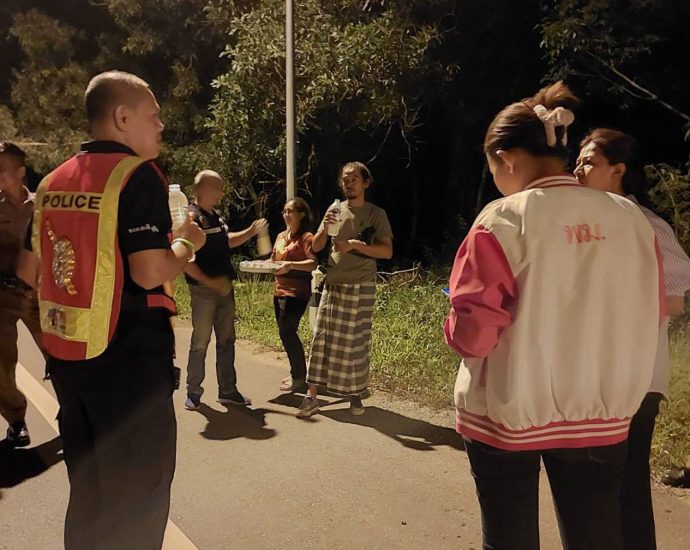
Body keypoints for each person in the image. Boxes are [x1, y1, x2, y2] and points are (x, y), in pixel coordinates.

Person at [444, 82, 664, 550]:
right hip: (602, 411)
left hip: (507, 409)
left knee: (509, 539)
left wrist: (453, 328)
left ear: (506, 159)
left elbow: (474, 336)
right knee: (597, 537)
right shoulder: (632, 219)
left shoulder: (503, 220)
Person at [19, 70, 206, 550]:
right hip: (129, 365)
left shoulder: (51, 184)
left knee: (90, 493)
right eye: (153, 115)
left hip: (68, 363)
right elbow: (149, 272)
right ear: (122, 117)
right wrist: (187, 242)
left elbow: (27, 273)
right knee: (140, 499)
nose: (161, 126)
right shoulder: (136, 175)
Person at [575, 128, 690, 550]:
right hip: (590, 374)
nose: (578, 168)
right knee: (589, 486)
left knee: (626, 485)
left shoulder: (647, 226)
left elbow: (673, 302)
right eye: (578, 159)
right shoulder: (582, 225)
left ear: (618, 171)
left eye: (589, 161)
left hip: (636, 376)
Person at [296, 161, 393, 418]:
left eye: (353, 178)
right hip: (334, 283)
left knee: (355, 342)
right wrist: (326, 228)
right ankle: (311, 396)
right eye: (345, 179)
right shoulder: (335, 209)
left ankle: (355, 395)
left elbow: (386, 251)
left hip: (361, 284)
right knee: (321, 338)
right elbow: (316, 247)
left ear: (365, 182)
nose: (348, 183)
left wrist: (354, 245)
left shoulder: (376, 214)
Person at [183, 170, 267, 411]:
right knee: (200, 342)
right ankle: (194, 393)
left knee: (227, 340)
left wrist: (250, 232)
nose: (221, 193)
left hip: (225, 289)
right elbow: (186, 263)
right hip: (203, 291)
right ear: (203, 189)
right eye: (218, 188)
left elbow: (226, 240)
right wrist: (210, 283)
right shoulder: (192, 217)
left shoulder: (215, 217)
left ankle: (228, 391)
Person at [0, 142, 42, 447]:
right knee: (0, 365)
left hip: (42, 297)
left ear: (21, 172)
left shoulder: (42, 204)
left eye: (2, 170)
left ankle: (73, 415)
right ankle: (16, 420)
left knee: (63, 360)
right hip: (4, 296)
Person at [271, 197, 317, 392]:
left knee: (287, 331)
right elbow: (274, 258)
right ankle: (296, 372)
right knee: (285, 333)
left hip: (297, 292)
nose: (286, 215)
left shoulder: (307, 237)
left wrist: (290, 265)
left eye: (290, 211)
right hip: (279, 289)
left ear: (301, 214)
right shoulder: (282, 236)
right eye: (284, 211)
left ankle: (299, 376)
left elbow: (312, 263)